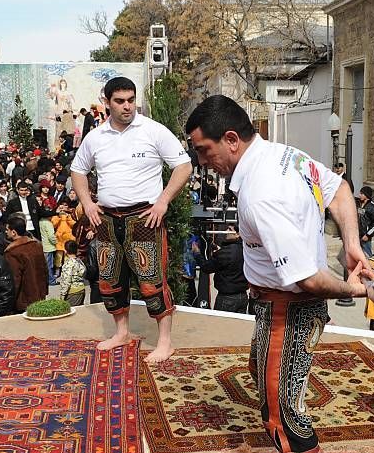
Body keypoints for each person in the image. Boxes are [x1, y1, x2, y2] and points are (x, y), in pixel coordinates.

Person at [185, 94, 373, 453]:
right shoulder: (283, 152)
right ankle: (289, 444)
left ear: (231, 140)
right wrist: (351, 243)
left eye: (205, 151)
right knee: (260, 373)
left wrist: (352, 287)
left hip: (291, 305)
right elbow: (340, 189)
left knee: (283, 409)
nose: (204, 163)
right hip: (279, 303)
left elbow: (307, 278)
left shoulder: (260, 191)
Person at [70, 76, 192, 363]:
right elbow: (78, 171)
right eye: (120, 101)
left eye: (131, 100)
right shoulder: (96, 137)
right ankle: (121, 332)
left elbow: (183, 166)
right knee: (110, 281)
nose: (127, 106)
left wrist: (163, 201)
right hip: (106, 220)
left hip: (144, 219)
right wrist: (87, 203)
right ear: (107, 102)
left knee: (152, 281)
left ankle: (165, 342)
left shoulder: (153, 131)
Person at [192, 228, 249, 313]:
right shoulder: (246, 250)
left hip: (227, 298)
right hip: (243, 297)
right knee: (238, 325)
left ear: (237, 234)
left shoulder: (226, 252)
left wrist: (197, 253)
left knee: (220, 325)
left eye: (230, 229)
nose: (226, 231)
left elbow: (207, 267)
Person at [3, 214, 48, 310]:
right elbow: (45, 269)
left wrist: (9, 301)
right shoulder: (37, 245)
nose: (6, 232)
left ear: (14, 232)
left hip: (24, 299)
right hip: (40, 294)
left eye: (8, 230)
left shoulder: (13, 251)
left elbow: (15, 279)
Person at [58, 240, 87, 306]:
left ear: (65, 251)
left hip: (72, 292)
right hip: (81, 289)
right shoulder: (80, 261)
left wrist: (62, 295)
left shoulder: (68, 264)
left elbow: (66, 281)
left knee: (72, 312)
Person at [357, 185, 374, 257]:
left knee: (367, 256)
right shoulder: (358, 203)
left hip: (365, 236)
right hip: (357, 234)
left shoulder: (372, 207)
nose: (359, 195)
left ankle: (370, 267)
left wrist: (368, 235)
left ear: (367, 195)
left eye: (361, 193)